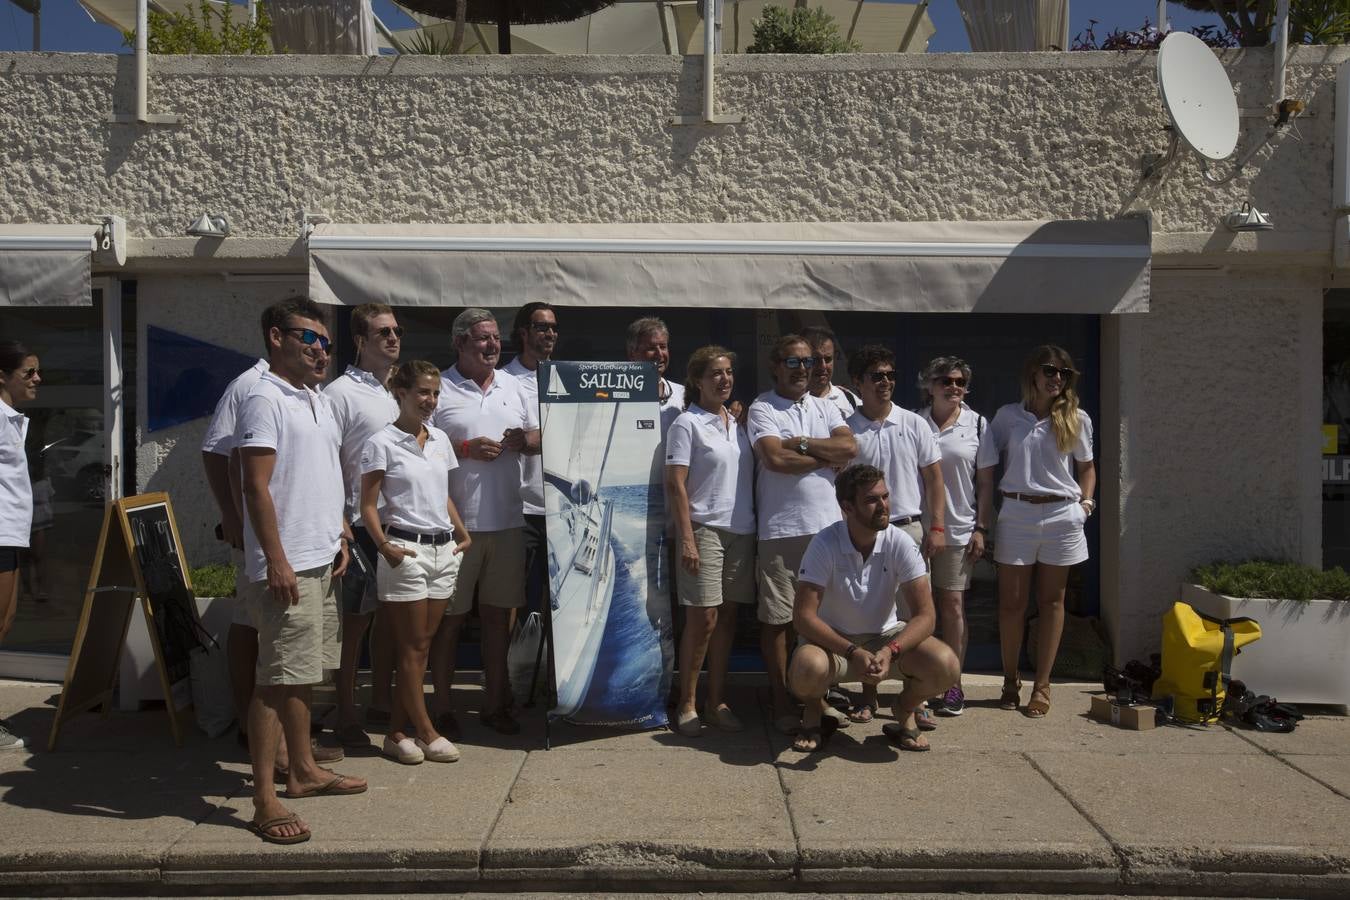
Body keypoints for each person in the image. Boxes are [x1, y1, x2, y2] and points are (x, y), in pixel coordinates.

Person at [237, 297, 366, 845]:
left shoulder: (312, 397)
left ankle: (305, 770)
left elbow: (318, 472)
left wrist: (338, 526)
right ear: (275, 336)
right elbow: (254, 485)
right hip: (285, 564)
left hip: (320, 556)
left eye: (325, 342)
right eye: (308, 339)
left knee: (303, 671)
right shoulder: (263, 397)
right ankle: (265, 799)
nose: (321, 350)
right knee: (274, 679)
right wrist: (277, 560)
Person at [788, 464, 960, 753]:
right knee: (806, 668)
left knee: (947, 665)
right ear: (847, 507)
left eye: (885, 496)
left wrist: (889, 650)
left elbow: (926, 616)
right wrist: (852, 652)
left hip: (885, 639)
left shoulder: (899, 541)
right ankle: (816, 710)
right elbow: (803, 617)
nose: (883, 506)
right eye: (871, 500)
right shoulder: (825, 543)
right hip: (834, 645)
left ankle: (904, 710)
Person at [431, 309, 540, 736]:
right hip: (456, 527)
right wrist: (463, 447)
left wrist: (524, 441)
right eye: (482, 339)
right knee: (450, 621)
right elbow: (416, 447)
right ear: (459, 343)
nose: (493, 346)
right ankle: (442, 706)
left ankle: (496, 703)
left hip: (510, 521)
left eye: (495, 338)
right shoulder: (439, 387)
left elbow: (541, 436)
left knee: (500, 620)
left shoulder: (514, 385)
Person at [360, 360, 471, 765]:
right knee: (411, 647)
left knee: (423, 645)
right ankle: (426, 731)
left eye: (436, 393)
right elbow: (368, 504)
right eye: (423, 392)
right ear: (401, 393)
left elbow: (440, 494)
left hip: (444, 551)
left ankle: (395, 732)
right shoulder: (382, 442)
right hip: (405, 550)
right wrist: (383, 545)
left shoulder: (440, 439)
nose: (430, 401)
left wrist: (461, 532)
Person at [976, 345, 1096, 719]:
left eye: (1064, 373)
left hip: (1062, 515)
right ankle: (1010, 680)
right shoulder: (1008, 417)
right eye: (1050, 370)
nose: (1056, 378)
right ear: (1032, 374)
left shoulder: (1076, 418)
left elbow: (1088, 468)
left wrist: (1085, 507)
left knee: (1052, 603)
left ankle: (1042, 686)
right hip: (1016, 513)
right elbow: (984, 463)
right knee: (1012, 604)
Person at [746, 335, 857, 735]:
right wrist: (823, 457)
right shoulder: (762, 407)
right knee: (778, 621)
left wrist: (805, 444)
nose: (803, 369)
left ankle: (817, 697)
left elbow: (849, 448)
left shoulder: (826, 405)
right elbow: (775, 458)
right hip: (781, 530)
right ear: (775, 366)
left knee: (822, 619)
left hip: (827, 528)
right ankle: (780, 699)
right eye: (793, 363)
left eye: (808, 362)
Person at [845, 345, 946, 724]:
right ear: (858, 383)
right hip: (865, 535)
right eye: (876, 376)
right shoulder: (846, 430)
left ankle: (914, 699)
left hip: (909, 529)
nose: (885, 382)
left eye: (889, 375)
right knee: (870, 619)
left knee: (914, 620)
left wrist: (936, 527)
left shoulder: (914, 423)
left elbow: (934, 480)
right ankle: (867, 696)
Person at [665, 346, 756, 737]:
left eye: (729, 372)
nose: (724, 379)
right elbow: (675, 483)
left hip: (742, 531)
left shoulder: (738, 423)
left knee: (727, 619)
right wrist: (687, 538)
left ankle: (715, 701)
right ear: (697, 381)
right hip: (703, 529)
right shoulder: (687, 424)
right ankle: (686, 702)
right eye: (716, 373)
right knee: (702, 619)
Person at [323, 303, 401, 747]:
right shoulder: (340, 395)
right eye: (382, 332)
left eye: (396, 330)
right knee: (354, 627)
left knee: (390, 623)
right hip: (358, 524)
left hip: (399, 524)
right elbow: (327, 462)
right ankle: (347, 714)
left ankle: (383, 703)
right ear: (359, 341)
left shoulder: (396, 391)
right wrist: (338, 524)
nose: (392, 338)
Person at [917, 356, 993, 717]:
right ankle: (917, 682)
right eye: (946, 380)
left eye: (960, 382)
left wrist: (981, 528)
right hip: (916, 528)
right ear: (929, 385)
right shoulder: (913, 422)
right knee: (916, 609)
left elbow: (985, 483)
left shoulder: (977, 423)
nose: (954, 388)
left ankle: (952, 683)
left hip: (960, 529)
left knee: (953, 607)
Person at [504, 302, 557, 622]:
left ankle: (550, 673)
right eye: (542, 327)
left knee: (560, 602)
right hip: (522, 508)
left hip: (563, 507)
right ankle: (513, 670)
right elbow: (513, 439)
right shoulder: (504, 379)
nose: (550, 333)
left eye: (553, 327)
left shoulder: (565, 376)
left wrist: (535, 437)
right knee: (516, 597)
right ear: (523, 332)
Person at [0, 340, 40, 751]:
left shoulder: (11, 418)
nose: (36, 379)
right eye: (27, 372)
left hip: (11, 534)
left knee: (5, 623)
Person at [627, 317, 684, 438]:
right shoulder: (618, 395)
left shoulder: (684, 394)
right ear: (632, 354)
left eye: (663, 347)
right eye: (651, 348)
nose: (659, 354)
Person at [801, 325, 860, 417]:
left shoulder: (849, 400)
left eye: (828, 359)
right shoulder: (785, 403)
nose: (823, 366)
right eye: (815, 359)